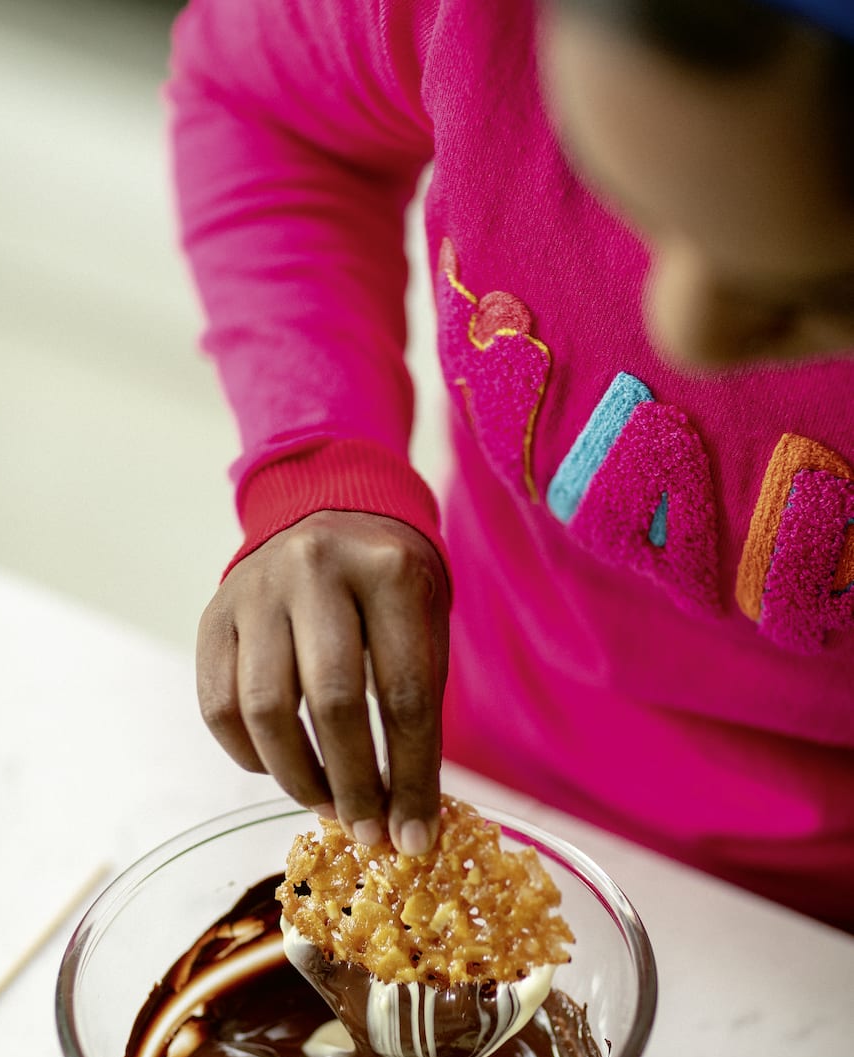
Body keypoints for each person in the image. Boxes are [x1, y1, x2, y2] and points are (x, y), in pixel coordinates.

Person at [168, 0, 854, 929]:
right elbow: (269, 106)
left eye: (817, 296)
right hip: (488, 750)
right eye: (626, 193)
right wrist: (320, 464)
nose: (679, 330)